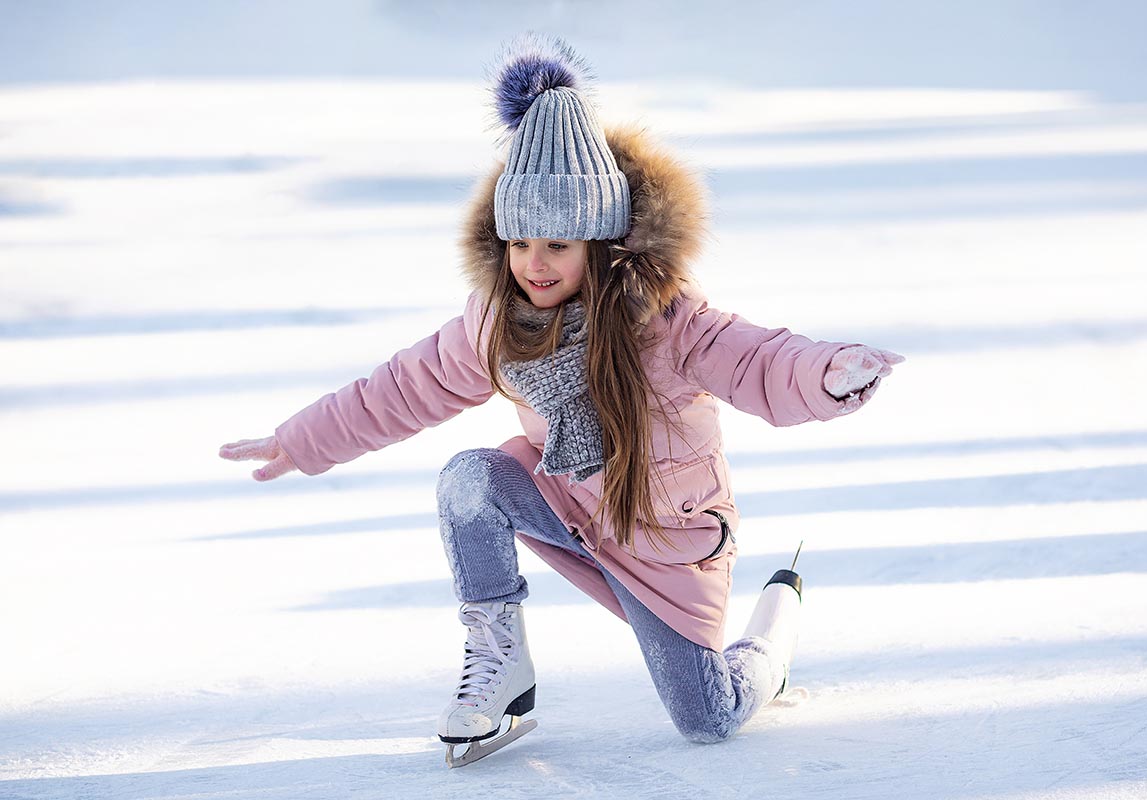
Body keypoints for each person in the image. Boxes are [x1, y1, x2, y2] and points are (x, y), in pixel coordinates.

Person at [219, 33, 904, 760]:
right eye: (519, 245)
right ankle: (500, 669)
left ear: (599, 242)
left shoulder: (667, 320)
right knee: (470, 478)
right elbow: (404, 386)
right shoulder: (498, 323)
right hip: (567, 505)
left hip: (662, 541)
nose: (534, 265)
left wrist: (827, 372)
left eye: (557, 244)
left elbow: (761, 360)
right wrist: (303, 438)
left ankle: (772, 635)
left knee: (708, 716)